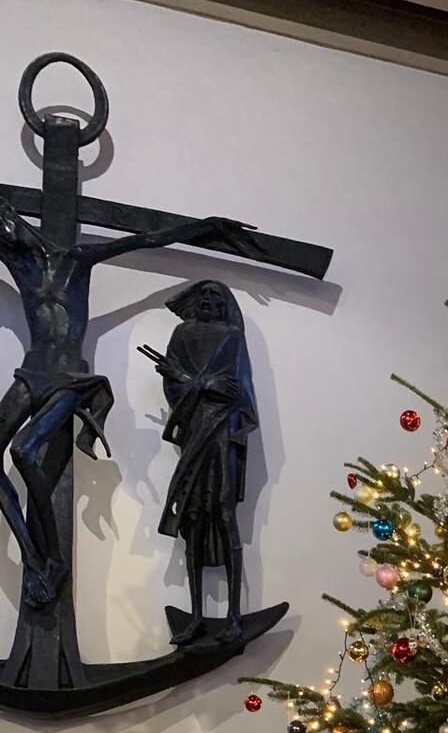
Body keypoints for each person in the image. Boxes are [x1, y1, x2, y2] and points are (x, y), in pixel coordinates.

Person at [0, 198, 249, 608]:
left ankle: (53, 559)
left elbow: (146, 239)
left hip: (70, 377)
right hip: (31, 373)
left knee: (24, 454)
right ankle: (34, 557)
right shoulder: (16, 262)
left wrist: (203, 226)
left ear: (11, 216)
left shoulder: (76, 260)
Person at [144, 280, 258, 645]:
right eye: (203, 295)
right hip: (194, 429)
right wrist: (200, 386)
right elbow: (173, 385)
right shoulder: (182, 334)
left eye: (215, 296)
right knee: (192, 518)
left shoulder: (233, 338)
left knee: (224, 514)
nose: (208, 300)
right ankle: (195, 615)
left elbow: (239, 390)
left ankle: (234, 615)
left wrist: (206, 386)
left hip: (223, 432)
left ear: (225, 304)